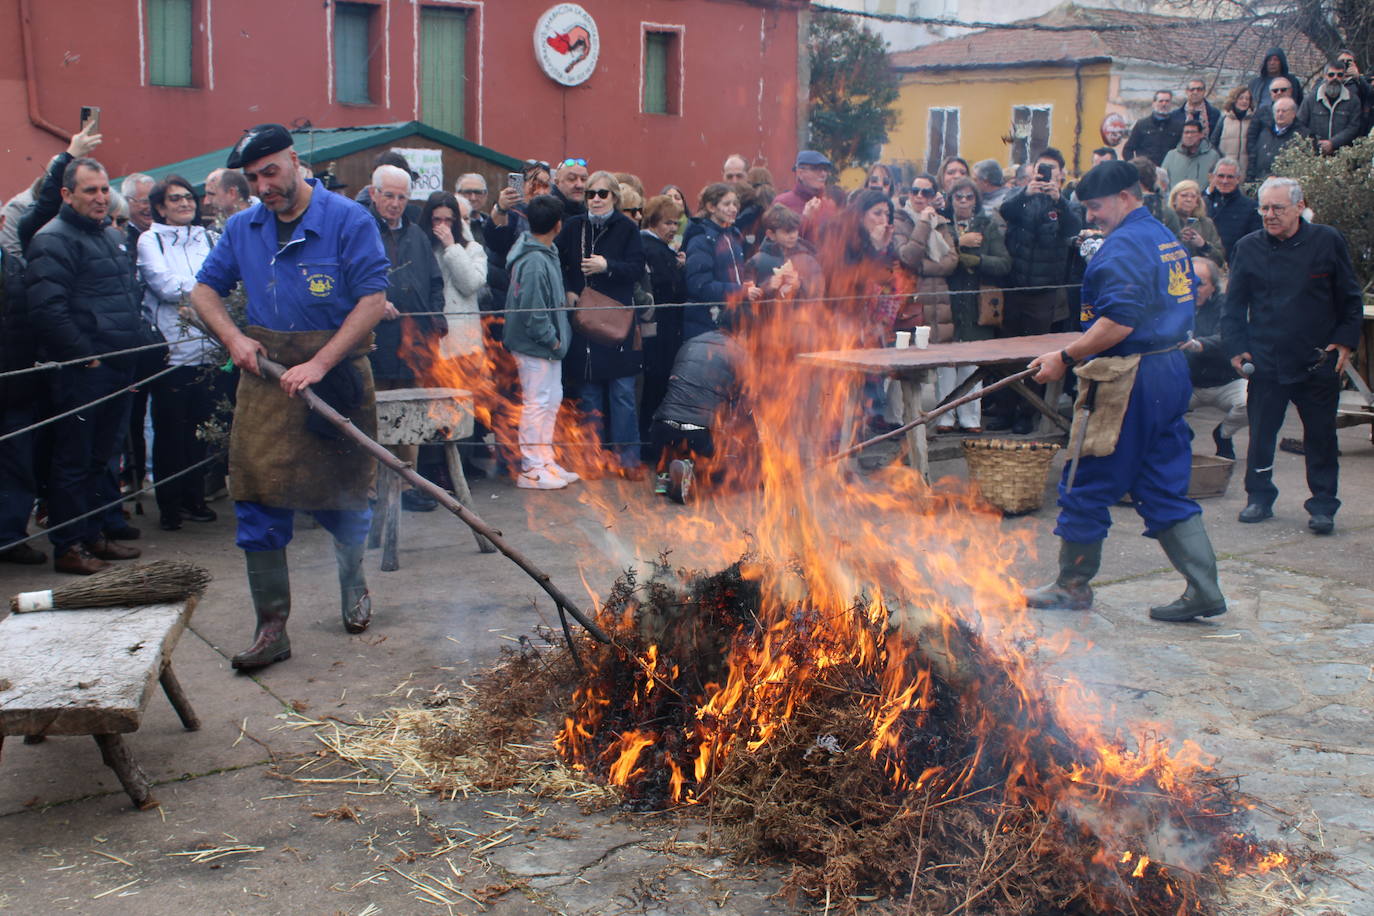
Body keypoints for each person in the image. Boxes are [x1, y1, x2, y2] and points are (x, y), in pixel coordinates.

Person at [192, 123, 392, 669]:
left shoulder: (348, 220)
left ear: (295, 160)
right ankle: (271, 629)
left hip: (337, 377)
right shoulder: (243, 228)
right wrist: (233, 338)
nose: (263, 186)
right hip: (265, 382)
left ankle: (354, 588)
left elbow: (373, 300)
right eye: (253, 178)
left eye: (271, 172)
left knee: (347, 497)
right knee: (257, 500)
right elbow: (203, 291)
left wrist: (320, 362)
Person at [1024, 159, 1225, 623]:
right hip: (1170, 369)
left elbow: (1119, 322)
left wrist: (1065, 357)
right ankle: (1205, 588)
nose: (1091, 217)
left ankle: (1071, 586)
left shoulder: (1123, 249)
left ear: (1126, 197)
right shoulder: (1164, 238)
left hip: (1128, 377)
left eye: (1096, 207)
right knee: (1161, 482)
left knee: (1087, 476)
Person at [1221, 177, 1362, 536]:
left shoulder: (1327, 240)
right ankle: (1259, 497)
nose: (1269, 215)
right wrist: (1236, 348)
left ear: (1299, 207)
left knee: (1321, 438)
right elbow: (1233, 306)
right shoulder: (1248, 247)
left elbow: (1349, 297)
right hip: (1266, 359)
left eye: (1277, 208)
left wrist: (1345, 343)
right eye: (1264, 208)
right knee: (1262, 435)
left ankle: (1323, 505)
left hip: (1317, 358)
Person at [25, 156, 145, 575]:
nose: (100, 198)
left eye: (104, 189)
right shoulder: (52, 239)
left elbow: (125, 299)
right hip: (83, 371)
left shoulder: (108, 237)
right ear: (66, 194)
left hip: (116, 366)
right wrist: (86, 356)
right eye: (90, 190)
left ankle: (93, 534)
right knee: (73, 462)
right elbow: (47, 310)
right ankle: (69, 545)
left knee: (101, 459)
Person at [137, 175, 218, 531]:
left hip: (210, 348)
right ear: (160, 206)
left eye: (188, 197)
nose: (185, 204)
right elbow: (165, 286)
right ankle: (169, 503)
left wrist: (203, 289)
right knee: (171, 431)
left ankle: (194, 496)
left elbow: (227, 278)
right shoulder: (149, 239)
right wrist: (206, 288)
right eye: (175, 199)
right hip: (173, 350)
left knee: (201, 430)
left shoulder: (210, 237)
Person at [367, 164, 448, 512]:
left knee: (411, 414)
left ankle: (408, 483)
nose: (395, 204)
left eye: (402, 197)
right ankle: (374, 487)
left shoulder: (416, 235)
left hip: (415, 341)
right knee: (374, 413)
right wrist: (374, 304)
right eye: (389, 196)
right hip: (375, 340)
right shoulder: (361, 231)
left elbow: (434, 283)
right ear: (374, 195)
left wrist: (436, 319)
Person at [556, 170, 647, 477]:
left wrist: (606, 266)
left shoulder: (626, 227)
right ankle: (590, 458)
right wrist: (569, 288)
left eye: (602, 193)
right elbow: (561, 261)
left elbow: (636, 269)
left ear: (614, 197)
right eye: (590, 194)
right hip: (584, 319)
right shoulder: (573, 226)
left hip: (615, 318)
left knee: (622, 393)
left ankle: (628, 460)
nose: (595, 198)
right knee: (589, 393)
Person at [998, 148, 1082, 434]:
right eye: (1041, 170)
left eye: (1051, 171)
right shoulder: (1020, 196)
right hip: (1014, 285)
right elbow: (1005, 212)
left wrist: (1059, 200)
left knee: (1036, 355)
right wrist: (1026, 192)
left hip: (1045, 290)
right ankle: (1005, 408)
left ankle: (1028, 412)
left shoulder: (1065, 202)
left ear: (1060, 174)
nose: (1045, 176)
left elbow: (1074, 228)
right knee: (1007, 353)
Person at [505, 195, 577, 490]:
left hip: (549, 347)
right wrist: (553, 340)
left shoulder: (546, 251)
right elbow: (533, 313)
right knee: (536, 404)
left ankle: (544, 460)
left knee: (551, 400)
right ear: (558, 225)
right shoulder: (535, 260)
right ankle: (531, 468)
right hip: (537, 346)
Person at [649, 316, 747, 503]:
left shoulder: (691, 343)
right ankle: (688, 469)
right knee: (723, 459)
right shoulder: (738, 352)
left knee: (674, 435)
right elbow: (744, 401)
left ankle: (664, 474)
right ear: (741, 332)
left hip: (661, 428)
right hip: (699, 434)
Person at [942, 178, 1010, 432]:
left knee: (971, 365)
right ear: (950, 200)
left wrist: (976, 259)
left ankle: (971, 419)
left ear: (976, 200)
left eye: (969, 197)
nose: (963, 201)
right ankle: (944, 418)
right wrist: (960, 246)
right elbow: (938, 259)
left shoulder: (987, 225)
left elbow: (1004, 264)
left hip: (977, 304)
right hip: (948, 302)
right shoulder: (943, 226)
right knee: (945, 365)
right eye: (958, 197)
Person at [638, 194, 688, 455]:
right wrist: (679, 269)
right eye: (668, 223)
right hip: (660, 333)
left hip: (660, 331)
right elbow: (672, 289)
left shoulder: (660, 249)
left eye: (676, 224)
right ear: (654, 221)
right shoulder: (653, 249)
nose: (672, 228)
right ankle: (651, 448)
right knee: (655, 389)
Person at [1183, 256, 1246, 460]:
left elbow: (1227, 337)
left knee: (1254, 402)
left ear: (1213, 286)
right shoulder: (1175, 303)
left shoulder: (1226, 305)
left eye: (1200, 284)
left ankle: (1223, 435)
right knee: (1153, 401)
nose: (1193, 289)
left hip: (1225, 381)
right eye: (1188, 282)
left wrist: (1198, 344)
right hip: (1188, 384)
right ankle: (1181, 434)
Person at [683, 182, 758, 341]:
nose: (733, 209)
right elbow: (700, 286)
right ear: (711, 207)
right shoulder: (700, 240)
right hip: (707, 324)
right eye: (727, 204)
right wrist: (741, 292)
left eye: (735, 204)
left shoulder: (734, 237)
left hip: (732, 321)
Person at [1297, 62, 1365, 155]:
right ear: (1325, 76)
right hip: (1314, 155)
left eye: (1339, 75)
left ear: (1344, 77)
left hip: (1341, 155)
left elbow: (1353, 127)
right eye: (1331, 75)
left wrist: (1333, 143)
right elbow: (1300, 124)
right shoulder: (1310, 99)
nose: (1335, 78)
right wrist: (1316, 143)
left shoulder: (1353, 100)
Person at [1203, 158, 1261, 263]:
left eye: (1230, 177)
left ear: (1238, 179)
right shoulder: (1203, 203)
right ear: (1213, 177)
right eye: (1221, 176)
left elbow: (1254, 244)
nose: (1225, 181)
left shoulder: (1251, 208)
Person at [774, 150, 837, 242]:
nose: (823, 174)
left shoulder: (829, 205)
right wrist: (805, 219)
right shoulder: (782, 203)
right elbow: (776, 243)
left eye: (825, 169)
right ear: (800, 173)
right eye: (817, 169)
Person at [1167, 180, 1225, 264]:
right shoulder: (1166, 221)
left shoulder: (1206, 224)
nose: (1189, 199)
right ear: (1174, 200)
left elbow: (1220, 259)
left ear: (1197, 202)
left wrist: (1203, 245)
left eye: (1193, 196)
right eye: (1184, 195)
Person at [1123, 90, 1183, 166]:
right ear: (1153, 104)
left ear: (1171, 104)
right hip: (1146, 172)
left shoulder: (1178, 127)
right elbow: (1127, 150)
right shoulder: (1141, 125)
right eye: (1160, 101)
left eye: (1167, 101)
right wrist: (1135, 166)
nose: (1164, 104)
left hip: (1169, 170)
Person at [1249, 96, 1303, 179]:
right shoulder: (1264, 133)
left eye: (1284, 111)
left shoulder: (1301, 136)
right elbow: (1254, 160)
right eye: (1277, 111)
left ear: (1293, 114)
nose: (1280, 114)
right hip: (1260, 183)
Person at [1209, 87, 1254, 181]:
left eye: (1247, 99)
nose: (1244, 101)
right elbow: (1213, 142)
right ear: (1234, 99)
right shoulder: (1224, 119)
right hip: (1226, 169)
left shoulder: (1253, 120)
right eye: (1241, 98)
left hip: (1246, 170)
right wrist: (1221, 159)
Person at [1162, 120, 1220, 190]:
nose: (1189, 136)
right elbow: (1162, 182)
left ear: (1201, 134)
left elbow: (1216, 182)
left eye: (1193, 132)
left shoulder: (1213, 156)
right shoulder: (1171, 155)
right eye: (1186, 132)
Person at [1248, 47, 1304, 116]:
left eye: (1276, 60)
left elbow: (1300, 105)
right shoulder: (1255, 83)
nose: (1272, 63)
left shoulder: (1292, 82)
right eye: (1269, 60)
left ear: (1281, 62)